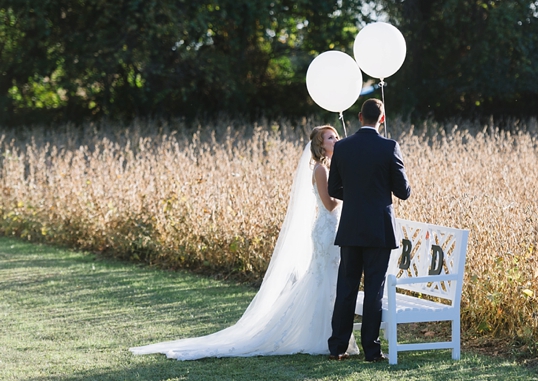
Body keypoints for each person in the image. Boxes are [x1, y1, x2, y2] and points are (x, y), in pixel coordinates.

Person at [130, 126, 358, 360]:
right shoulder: (320, 169)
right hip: (326, 230)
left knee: (329, 279)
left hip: (332, 229)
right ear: (321, 145)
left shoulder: (330, 167)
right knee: (326, 279)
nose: (337, 139)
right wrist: (351, 190)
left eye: (336, 136)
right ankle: (323, 337)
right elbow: (330, 204)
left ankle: (331, 335)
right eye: (331, 137)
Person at [326, 99, 411, 362]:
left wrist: (354, 195)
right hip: (379, 230)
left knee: (347, 287)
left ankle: (338, 347)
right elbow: (403, 192)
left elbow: (333, 189)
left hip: (351, 227)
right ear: (382, 119)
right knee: (374, 288)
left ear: (360, 117)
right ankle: (372, 351)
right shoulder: (389, 147)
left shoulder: (342, 147)